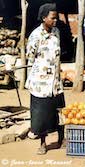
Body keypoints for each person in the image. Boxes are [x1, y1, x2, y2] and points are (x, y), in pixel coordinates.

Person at [25, 3, 65, 155]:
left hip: (55, 81)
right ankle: (43, 143)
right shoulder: (35, 35)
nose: (55, 20)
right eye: (52, 18)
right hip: (40, 82)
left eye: (56, 17)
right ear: (43, 18)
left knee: (59, 111)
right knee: (41, 114)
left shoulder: (57, 32)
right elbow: (31, 57)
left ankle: (62, 139)